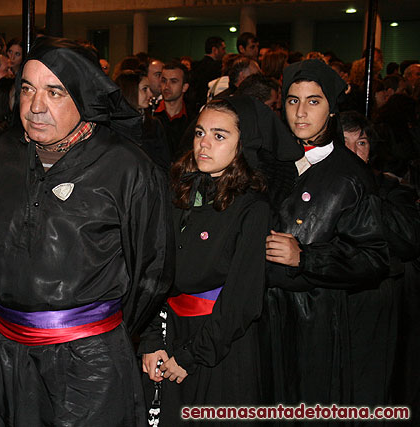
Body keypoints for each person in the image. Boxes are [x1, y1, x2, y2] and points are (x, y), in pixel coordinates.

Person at [0, 36, 173, 426]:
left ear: (83, 96)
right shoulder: (2, 154)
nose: (35, 106)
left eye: (54, 92)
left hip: (89, 364)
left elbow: (152, 268)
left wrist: (93, 328)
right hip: (7, 354)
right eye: (27, 88)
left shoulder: (126, 166)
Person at [140, 95, 300, 425]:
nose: (204, 144)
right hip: (169, 334)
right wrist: (151, 339)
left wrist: (190, 356)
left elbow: (242, 300)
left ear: (243, 146)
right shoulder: (179, 192)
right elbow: (153, 272)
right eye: (200, 133)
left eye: (219, 136)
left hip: (219, 348)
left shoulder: (252, 209)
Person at [264, 59, 389, 406]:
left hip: (314, 324)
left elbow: (373, 257)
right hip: (258, 319)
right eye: (292, 101)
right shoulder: (267, 163)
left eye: (313, 101)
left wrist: (306, 258)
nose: (301, 112)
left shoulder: (350, 175)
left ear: (332, 109)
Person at [340, 111, 420, 416]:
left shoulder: (389, 190)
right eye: (343, 143)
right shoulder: (312, 190)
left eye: (360, 142)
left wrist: (363, 192)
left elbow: (409, 239)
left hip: (377, 308)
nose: (353, 151)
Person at [115, 70, 170, 170]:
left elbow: (164, 164)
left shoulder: (154, 125)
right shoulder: (114, 126)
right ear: (130, 90)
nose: (150, 94)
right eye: (145, 89)